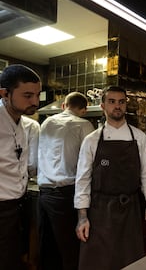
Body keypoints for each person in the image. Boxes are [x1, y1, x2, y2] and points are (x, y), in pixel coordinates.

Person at [75, 86, 146, 270]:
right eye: (112, 102)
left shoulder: (139, 137)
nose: (117, 106)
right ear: (103, 105)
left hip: (130, 209)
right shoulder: (92, 140)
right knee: (99, 262)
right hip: (100, 211)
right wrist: (82, 217)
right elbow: (82, 180)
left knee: (129, 260)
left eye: (121, 102)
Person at [37, 92, 94, 270]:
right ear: (84, 110)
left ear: (64, 106)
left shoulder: (46, 122)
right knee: (70, 249)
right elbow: (92, 160)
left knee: (47, 249)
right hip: (66, 194)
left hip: (44, 194)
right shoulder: (84, 125)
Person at [0, 64, 41, 269]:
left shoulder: (29, 126)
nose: (35, 102)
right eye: (27, 95)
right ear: (5, 94)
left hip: (18, 206)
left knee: (13, 260)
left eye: (37, 95)